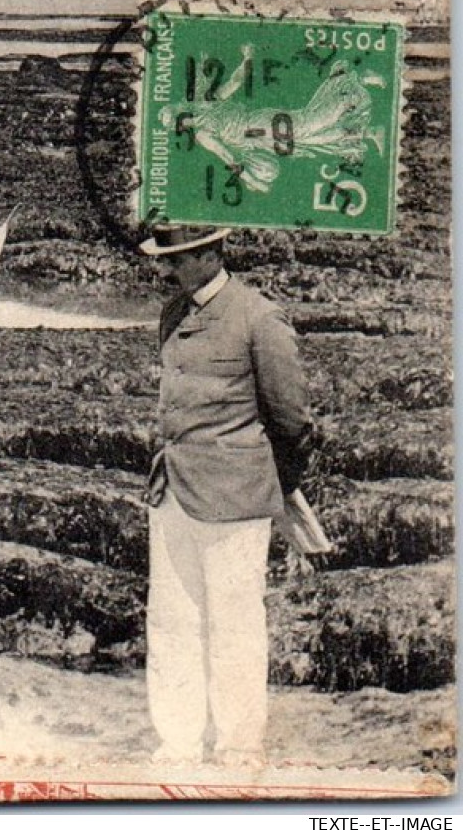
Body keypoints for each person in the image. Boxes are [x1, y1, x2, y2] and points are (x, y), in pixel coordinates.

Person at [139, 226, 314, 767]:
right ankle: (178, 745)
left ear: (213, 255)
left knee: (235, 625)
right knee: (170, 623)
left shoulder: (259, 318)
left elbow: (292, 420)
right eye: (164, 259)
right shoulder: (173, 313)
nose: (164, 270)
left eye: (178, 259)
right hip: (171, 493)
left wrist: (269, 483)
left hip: (234, 501)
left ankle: (239, 747)